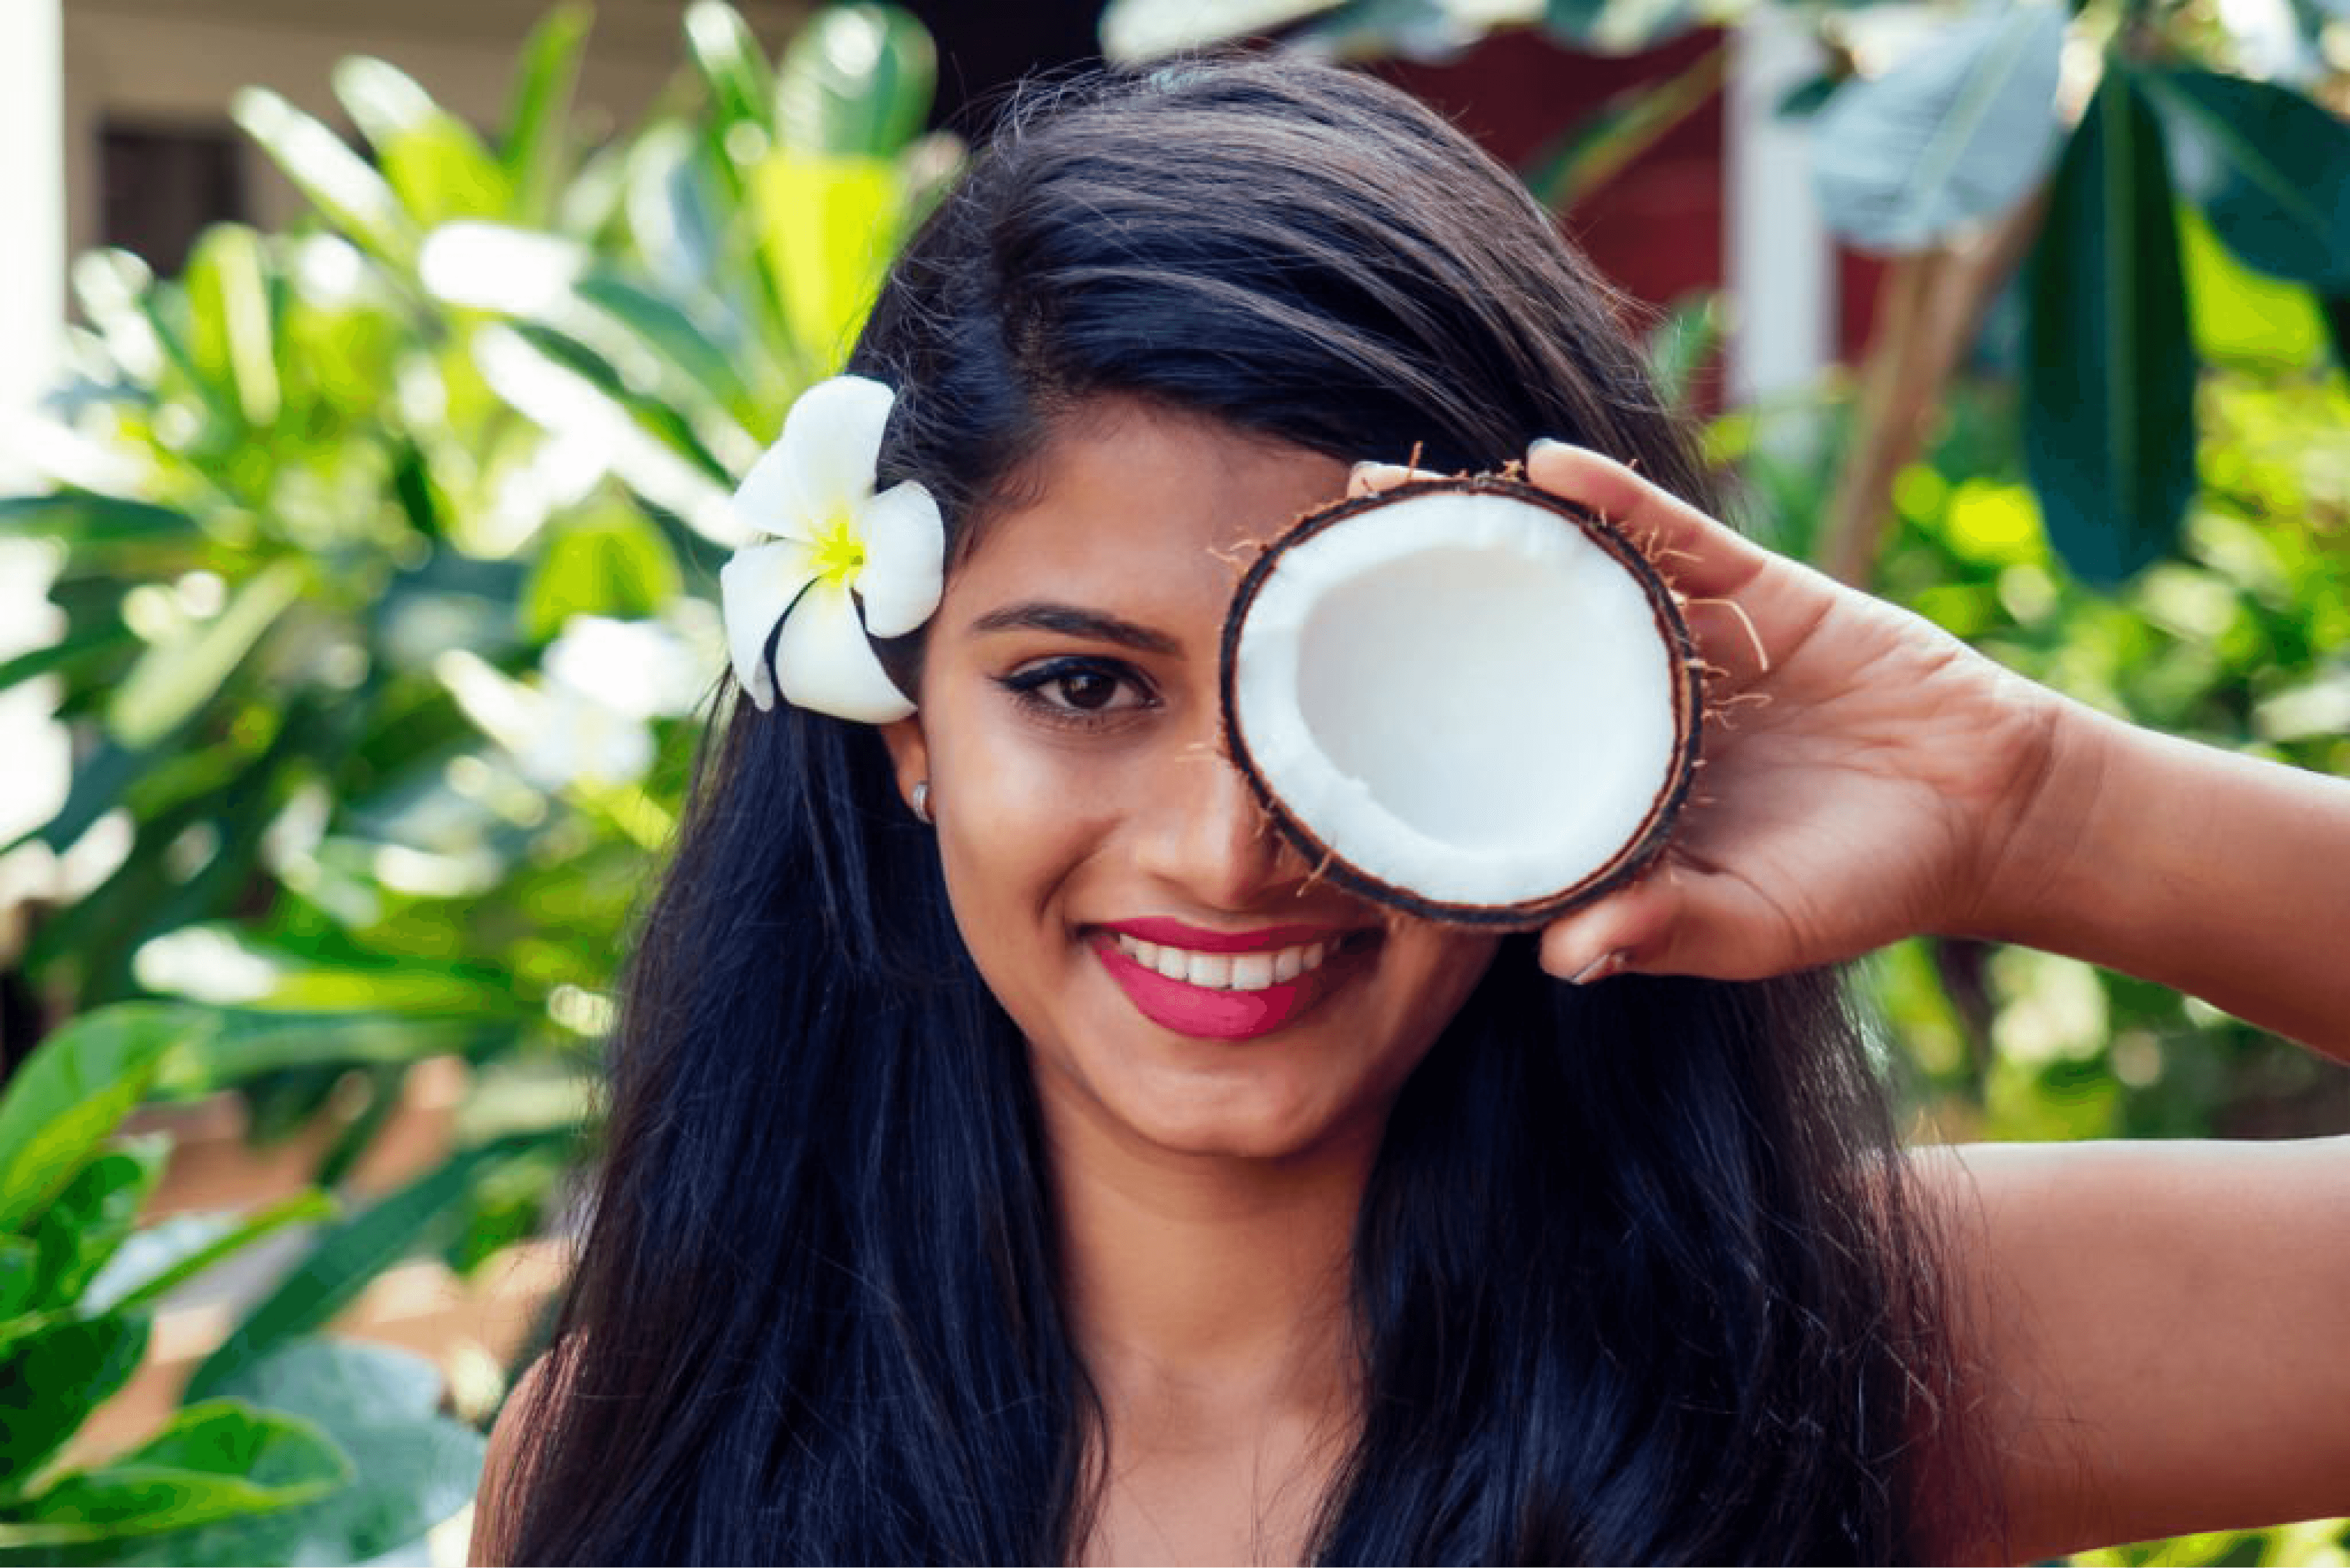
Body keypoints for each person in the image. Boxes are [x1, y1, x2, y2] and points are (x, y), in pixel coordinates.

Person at [470, 56, 2350, 1567]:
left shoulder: (1859, 1351)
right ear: (904, 723)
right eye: (1080, 685)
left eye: (1368, 695)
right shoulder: (652, 1443)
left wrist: (2037, 807)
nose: (1226, 845)